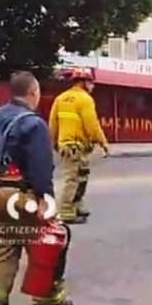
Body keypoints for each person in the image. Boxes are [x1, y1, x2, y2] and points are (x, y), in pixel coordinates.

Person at [0, 71, 75, 305]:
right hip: (24, 194)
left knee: (0, 245)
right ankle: (48, 301)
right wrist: (46, 201)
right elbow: (41, 167)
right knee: (49, 242)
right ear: (33, 92)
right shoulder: (34, 123)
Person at [49, 67, 109, 224]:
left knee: (81, 177)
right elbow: (92, 125)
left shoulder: (60, 99)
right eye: (91, 82)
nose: (93, 86)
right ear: (83, 83)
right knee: (73, 180)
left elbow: (52, 124)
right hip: (76, 146)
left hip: (66, 145)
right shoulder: (85, 100)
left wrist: (54, 143)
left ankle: (77, 206)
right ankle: (67, 212)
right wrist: (103, 143)